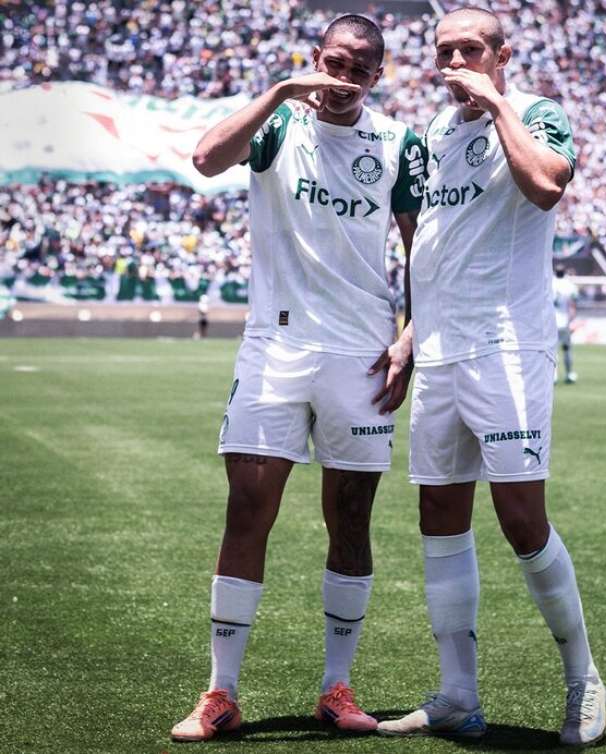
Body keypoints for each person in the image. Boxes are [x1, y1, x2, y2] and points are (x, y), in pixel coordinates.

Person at [170, 14, 424, 742]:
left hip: (362, 354)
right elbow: (206, 158)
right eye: (332, 63)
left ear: (377, 75)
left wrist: (410, 337)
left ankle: (336, 687)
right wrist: (282, 89)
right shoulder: (279, 124)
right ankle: (220, 693)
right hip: (274, 350)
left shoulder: (398, 143)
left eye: (359, 69)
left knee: (351, 518)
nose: (342, 79)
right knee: (248, 511)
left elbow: (422, 253)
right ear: (316, 58)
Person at [376, 7, 606, 747]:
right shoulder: (435, 133)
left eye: (469, 51)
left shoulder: (536, 112)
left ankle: (584, 680)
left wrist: (497, 102)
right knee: (439, 518)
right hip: (441, 351)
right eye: (443, 52)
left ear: (502, 55)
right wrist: (410, 333)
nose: (454, 64)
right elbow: (437, 243)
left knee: (521, 519)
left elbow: (545, 187)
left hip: (506, 347)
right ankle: (457, 695)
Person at [553, 265, 579, 383]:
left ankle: (553, 376)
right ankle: (569, 374)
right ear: (564, 272)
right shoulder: (570, 285)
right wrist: (572, 320)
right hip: (564, 321)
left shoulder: (549, 283)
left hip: (550, 321)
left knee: (553, 349)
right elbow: (573, 304)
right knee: (566, 348)